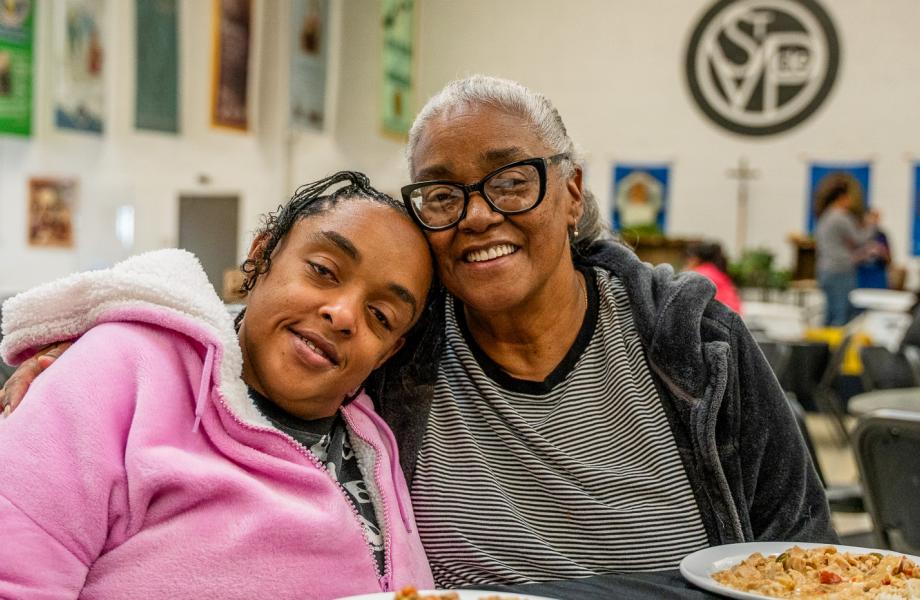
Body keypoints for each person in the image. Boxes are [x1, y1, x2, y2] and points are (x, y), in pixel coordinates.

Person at [2, 77, 835, 589]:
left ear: (572, 192)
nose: (477, 215)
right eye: (441, 194)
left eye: (511, 180)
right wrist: (107, 343)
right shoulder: (408, 344)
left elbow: (803, 556)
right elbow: (272, 328)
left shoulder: (690, 343)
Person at [0, 172, 434, 599]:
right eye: (322, 270)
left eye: (381, 316)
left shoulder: (374, 440)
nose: (342, 315)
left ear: (388, 352)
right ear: (261, 256)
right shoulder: (121, 371)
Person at [814, 184, 879, 325]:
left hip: (824, 269)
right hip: (840, 270)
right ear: (842, 197)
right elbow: (860, 238)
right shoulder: (841, 217)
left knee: (830, 314)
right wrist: (872, 224)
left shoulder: (825, 217)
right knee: (842, 316)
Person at [684, 240, 742, 314]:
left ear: (696, 259)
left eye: (688, 259)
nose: (687, 262)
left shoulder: (701, 274)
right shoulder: (713, 271)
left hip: (722, 315)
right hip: (732, 315)